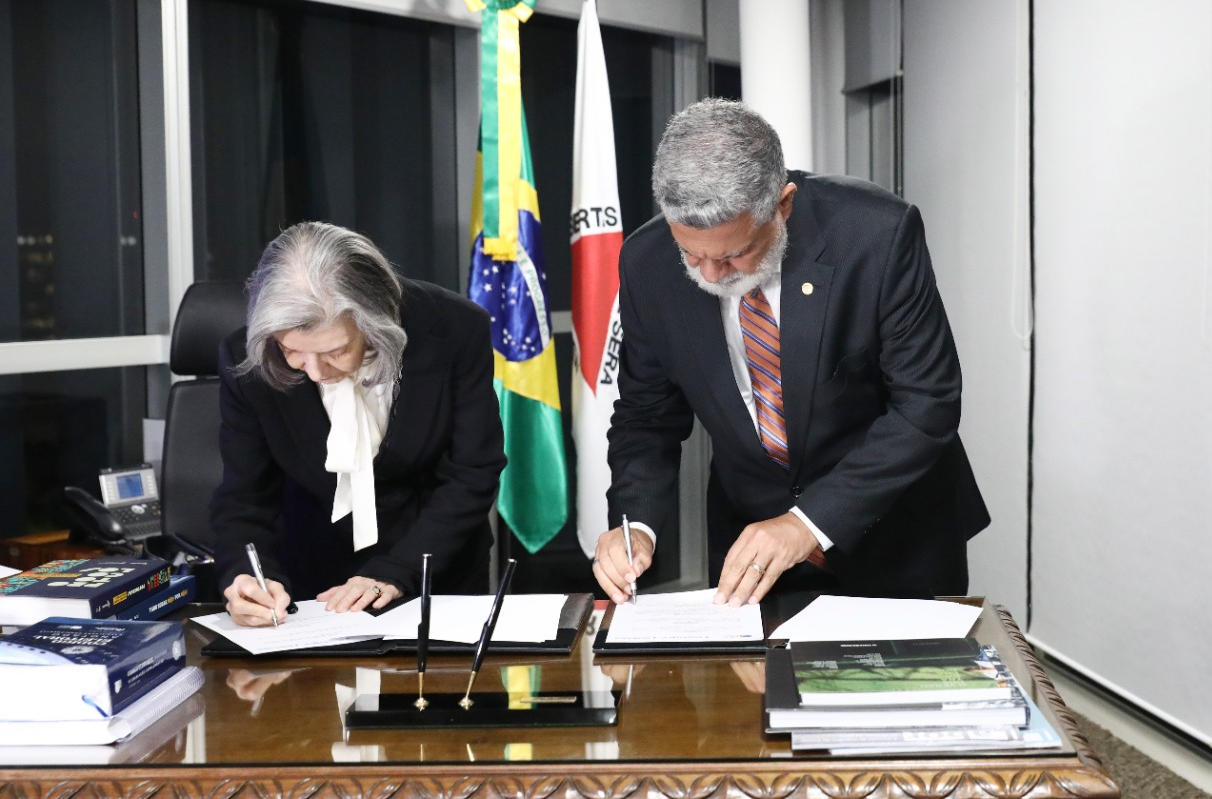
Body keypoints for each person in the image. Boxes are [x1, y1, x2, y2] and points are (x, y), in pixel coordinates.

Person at [593, 99, 989, 606]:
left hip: (895, 537)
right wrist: (636, 525)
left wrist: (806, 524)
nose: (711, 276)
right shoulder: (644, 262)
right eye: (691, 254)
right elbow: (646, 416)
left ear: (782, 205)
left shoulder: (875, 235)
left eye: (734, 254)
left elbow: (926, 405)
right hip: (750, 547)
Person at [212, 221, 506, 627]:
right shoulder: (247, 358)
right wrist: (247, 575)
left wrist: (396, 570)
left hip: (436, 574)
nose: (313, 371)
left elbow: (473, 472)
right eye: (292, 350)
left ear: (375, 320)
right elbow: (244, 496)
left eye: (335, 350)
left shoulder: (455, 328)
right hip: (309, 593)